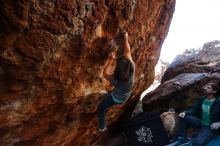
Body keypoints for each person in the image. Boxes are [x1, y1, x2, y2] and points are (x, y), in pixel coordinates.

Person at [97, 31, 135, 132]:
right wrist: (126, 38)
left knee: (101, 108)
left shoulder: (116, 81)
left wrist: (110, 60)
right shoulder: (132, 68)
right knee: (109, 90)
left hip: (115, 98)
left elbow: (105, 73)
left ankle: (102, 127)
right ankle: (109, 93)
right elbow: (127, 51)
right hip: (125, 96)